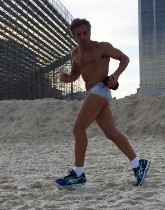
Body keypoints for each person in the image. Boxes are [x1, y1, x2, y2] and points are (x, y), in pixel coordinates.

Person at [55, 18, 150, 187]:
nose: (83, 37)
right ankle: (138, 164)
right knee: (111, 132)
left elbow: (125, 59)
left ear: (90, 32)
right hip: (92, 92)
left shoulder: (102, 47)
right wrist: (67, 78)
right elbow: (76, 73)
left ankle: (78, 173)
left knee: (78, 129)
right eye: (79, 35)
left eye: (85, 33)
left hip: (101, 89)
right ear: (74, 37)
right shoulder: (75, 54)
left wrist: (115, 76)